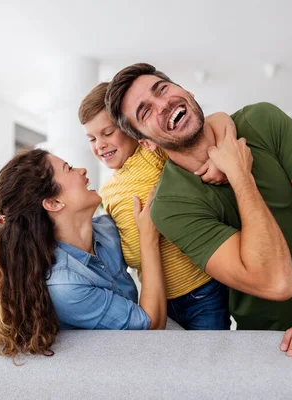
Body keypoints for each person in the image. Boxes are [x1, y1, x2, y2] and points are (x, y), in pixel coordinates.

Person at [105, 63, 292, 357]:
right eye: (145, 111)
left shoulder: (262, 121)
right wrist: (239, 175)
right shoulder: (170, 205)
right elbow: (277, 283)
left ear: (185, 91)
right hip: (270, 343)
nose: (163, 104)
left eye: (162, 89)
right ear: (146, 143)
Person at [0, 149, 166, 359]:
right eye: (68, 169)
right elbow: (151, 325)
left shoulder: (108, 229)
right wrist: (148, 239)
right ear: (53, 203)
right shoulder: (65, 286)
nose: (82, 170)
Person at [79, 82, 231, 330]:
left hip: (202, 290)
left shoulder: (153, 153)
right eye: (92, 138)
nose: (100, 145)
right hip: (159, 298)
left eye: (107, 133)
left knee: (209, 359)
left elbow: (217, 120)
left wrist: (219, 158)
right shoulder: (105, 192)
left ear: (130, 128)